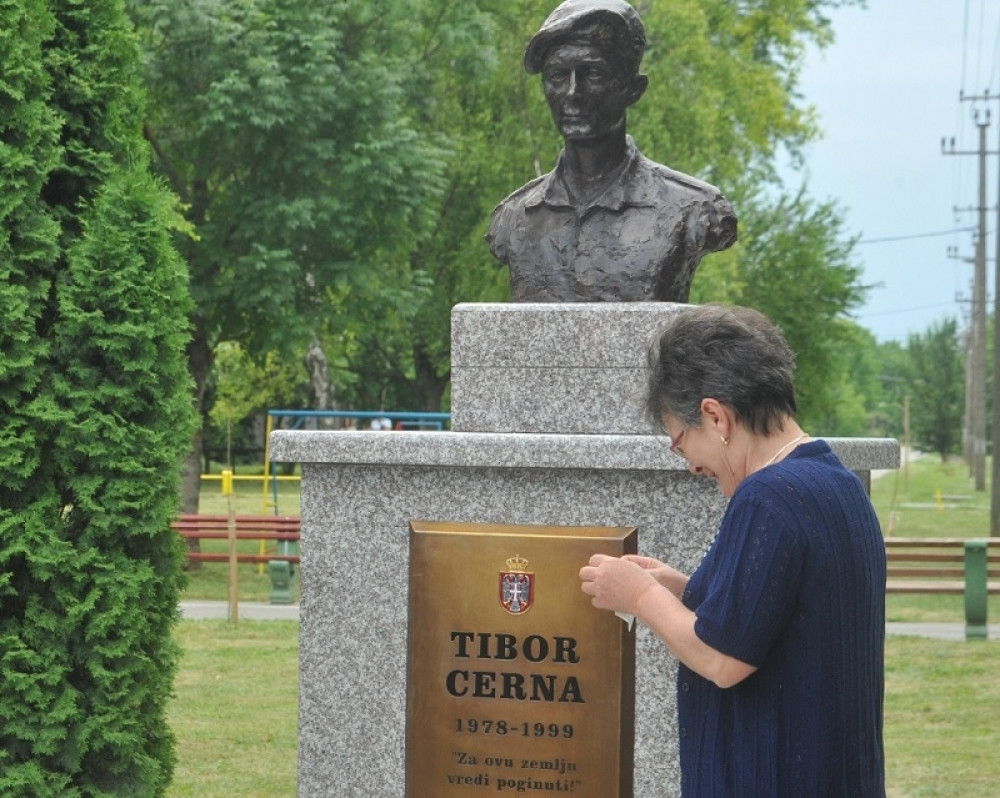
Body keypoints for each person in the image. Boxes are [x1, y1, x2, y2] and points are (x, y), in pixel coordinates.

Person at [579, 304, 886, 797]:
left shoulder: (767, 497)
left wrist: (638, 596)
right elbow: (780, 614)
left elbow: (724, 659)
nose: (691, 467)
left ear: (715, 416)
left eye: (680, 443)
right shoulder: (837, 485)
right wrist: (684, 590)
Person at [486, 0, 737, 302]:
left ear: (634, 89)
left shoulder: (695, 208)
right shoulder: (514, 217)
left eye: (593, 74)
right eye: (557, 76)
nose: (572, 93)